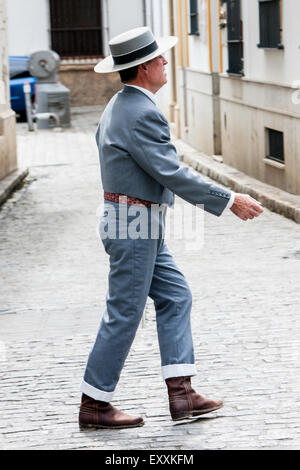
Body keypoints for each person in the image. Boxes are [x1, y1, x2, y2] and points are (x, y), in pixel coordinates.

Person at [79, 27, 263, 430]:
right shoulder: (140, 112)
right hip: (134, 224)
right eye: (160, 58)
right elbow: (171, 172)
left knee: (176, 296)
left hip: (137, 220)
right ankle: (94, 403)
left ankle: (182, 394)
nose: (166, 63)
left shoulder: (121, 104)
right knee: (125, 312)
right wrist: (230, 199)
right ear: (144, 67)